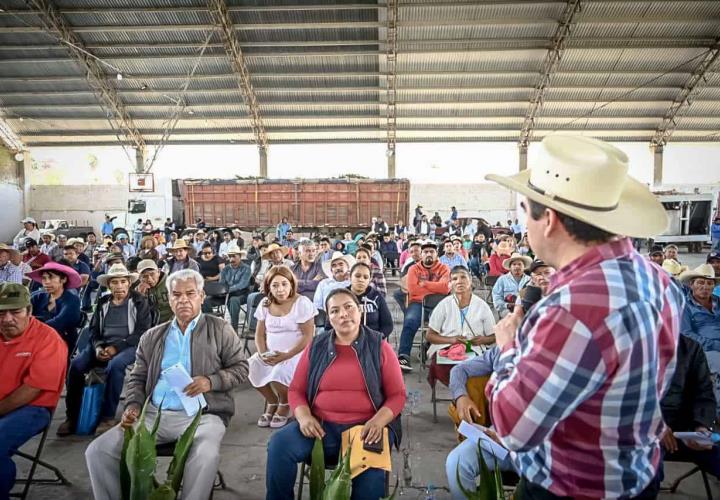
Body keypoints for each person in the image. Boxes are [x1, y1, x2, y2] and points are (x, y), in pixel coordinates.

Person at [483, 134, 684, 497]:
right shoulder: (657, 278)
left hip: (572, 487)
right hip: (637, 475)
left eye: (524, 212)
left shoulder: (572, 311)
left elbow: (514, 428)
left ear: (550, 220)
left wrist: (509, 347)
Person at [85, 269, 248, 500]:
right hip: (153, 415)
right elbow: (138, 378)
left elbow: (241, 368)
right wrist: (132, 406)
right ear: (168, 299)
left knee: (205, 455)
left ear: (201, 296)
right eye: (176, 294)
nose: (183, 300)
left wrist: (211, 381)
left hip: (203, 416)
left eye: (190, 293)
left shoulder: (220, 329)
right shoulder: (152, 336)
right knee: (98, 451)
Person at [266, 288, 406, 499]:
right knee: (279, 445)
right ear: (329, 318)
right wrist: (303, 417)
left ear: (359, 311)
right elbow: (296, 389)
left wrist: (378, 422)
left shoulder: (379, 346)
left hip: (366, 430)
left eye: (349, 307)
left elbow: (397, 395)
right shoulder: (316, 346)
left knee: (369, 485)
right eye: (335, 310)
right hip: (319, 428)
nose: (343, 314)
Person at [58, 264, 152, 436]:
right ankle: (72, 416)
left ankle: (107, 416)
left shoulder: (139, 301)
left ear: (129, 283)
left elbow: (142, 332)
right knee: (76, 366)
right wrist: (99, 346)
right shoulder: (103, 302)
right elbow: (93, 330)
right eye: (114, 282)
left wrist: (116, 348)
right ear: (109, 285)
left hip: (130, 345)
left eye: (123, 281)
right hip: (102, 345)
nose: (119, 286)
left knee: (115, 365)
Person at [0, 283, 68, 500]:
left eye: (16, 311)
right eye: (1, 313)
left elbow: (33, 389)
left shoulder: (48, 339)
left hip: (32, 408)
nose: (7, 318)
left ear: (29, 311)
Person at [249, 267, 316, 429]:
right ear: (268, 287)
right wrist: (263, 353)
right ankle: (272, 401)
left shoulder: (302, 303)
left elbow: (308, 336)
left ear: (291, 284)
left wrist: (286, 355)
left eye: (284, 284)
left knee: (280, 371)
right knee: (250, 366)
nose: (280, 289)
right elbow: (259, 334)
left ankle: (285, 402)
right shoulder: (265, 304)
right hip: (271, 352)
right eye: (275, 285)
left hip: (296, 352)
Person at [659, 335, 719, 479]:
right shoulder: (633, 347)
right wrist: (654, 425)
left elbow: (704, 394)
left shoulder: (691, 348)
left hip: (685, 430)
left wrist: (701, 427)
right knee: (646, 475)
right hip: (644, 432)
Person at [426, 266, 496, 386]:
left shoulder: (482, 306)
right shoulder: (444, 305)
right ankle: (460, 396)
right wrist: (452, 340)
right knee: (442, 367)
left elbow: (493, 336)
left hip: (474, 349)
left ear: (471, 281)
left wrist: (483, 340)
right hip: (446, 348)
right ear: (450, 284)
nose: (459, 281)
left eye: (463, 277)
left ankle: (462, 397)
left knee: (477, 374)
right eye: (454, 279)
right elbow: (430, 335)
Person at [397, 241, 450, 372]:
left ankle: (429, 347)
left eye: (432, 252)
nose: (428, 254)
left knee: (442, 324)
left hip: (439, 305)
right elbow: (413, 290)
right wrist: (434, 288)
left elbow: (444, 289)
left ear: (437, 254)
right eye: (426, 252)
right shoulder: (413, 269)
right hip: (417, 303)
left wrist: (424, 284)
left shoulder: (444, 268)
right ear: (421, 255)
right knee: (410, 321)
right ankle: (403, 356)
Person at [679, 264, 720, 406]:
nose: (705, 286)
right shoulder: (685, 306)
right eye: (700, 282)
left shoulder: (718, 301)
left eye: (709, 283)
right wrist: (715, 344)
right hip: (704, 349)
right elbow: (686, 334)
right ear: (691, 285)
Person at [28, 262, 82, 355]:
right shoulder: (38, 297)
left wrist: (30, 327)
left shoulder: (72, 300)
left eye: (51, 277)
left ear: (63, 279)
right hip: (33, 339)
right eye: (44, 278)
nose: (47, 281)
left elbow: (59, 323)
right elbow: (23, 316)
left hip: (61, 342)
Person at [330, 262, 393, 339]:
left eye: (365, 277)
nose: (361, 280)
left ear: (370, 280)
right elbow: (329, 326)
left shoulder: (377, 297)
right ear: (350, 277)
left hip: (372, 341)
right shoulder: (339, 297)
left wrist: (376, 339)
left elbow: (388, 325)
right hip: (345, 341)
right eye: (357, 276)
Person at [218, 245, 252, 332]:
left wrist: (228, 290)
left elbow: (242, 284)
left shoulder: (246, 268)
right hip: (226, 294)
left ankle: (234, 329)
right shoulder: (225, 269)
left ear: (240, 257)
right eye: (230, 256)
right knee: (206, 301)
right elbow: (222, 283)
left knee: (233, 300)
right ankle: (213, 327)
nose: (231, 259)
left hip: (242, 294)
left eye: (234, 256)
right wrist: (222, 290)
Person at [491, 253, 532, 318]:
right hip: (507, 310)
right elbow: (496, 297)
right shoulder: (502, 279)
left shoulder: (530, 280)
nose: (517, 266)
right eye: (514, 264)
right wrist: (507, 305)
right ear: (510, 267)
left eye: (519, 264)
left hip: (525, 309)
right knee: (512, 317)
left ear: (524, 267)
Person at [134, 259, 173, 325]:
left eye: (152, 274)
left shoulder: (171, 283)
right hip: (152, 326)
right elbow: (137, 314)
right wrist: (141, 296)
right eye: (145, 276)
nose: (149, 279)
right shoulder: (138, 290)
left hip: (173, 322)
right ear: (140, 278)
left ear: (158, 272)